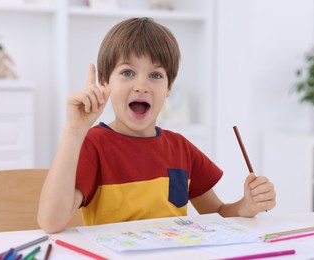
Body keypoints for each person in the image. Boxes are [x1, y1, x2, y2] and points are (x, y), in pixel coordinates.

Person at [38, 17, 276, 233]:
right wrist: (74, 130)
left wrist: (247, 205)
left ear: (169, 87)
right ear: (104, 83)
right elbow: (51, 222)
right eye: (128, 72)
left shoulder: (181, 148)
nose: (141, 85)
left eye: (155, 75)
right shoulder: (93, 144)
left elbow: (218, 214)